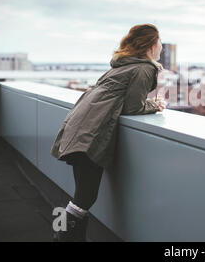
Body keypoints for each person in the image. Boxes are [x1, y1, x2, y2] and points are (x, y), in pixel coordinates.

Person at [50, 24, 166, 242]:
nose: (161, 46)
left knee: (82, 194)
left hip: (79, 128)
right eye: (159, 41)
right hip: (90, 135)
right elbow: (133, 106)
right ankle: (61, 235)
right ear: (151, 45)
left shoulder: (121, 65)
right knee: (85, 196)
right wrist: (155, 105)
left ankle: (64, 235)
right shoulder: (144, 68)